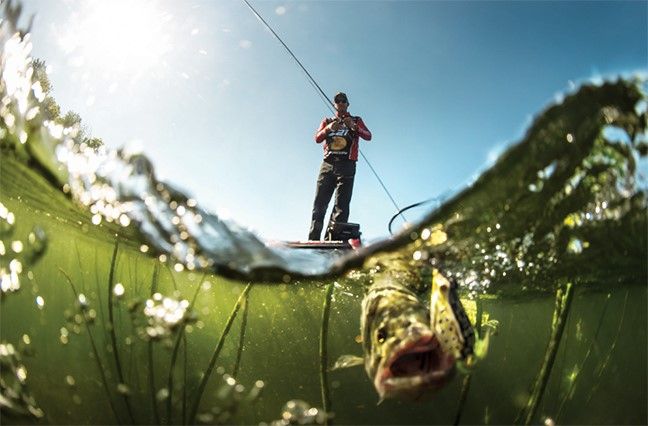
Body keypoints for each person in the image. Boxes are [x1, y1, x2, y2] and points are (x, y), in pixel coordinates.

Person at [308, 92, 372, 241]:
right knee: (319, 205)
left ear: (348, 104)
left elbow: (368, 136)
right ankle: (313, 240)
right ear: (334, 104)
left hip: (347, 165)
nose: (341, 103)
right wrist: (329, 128)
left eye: (344, 101)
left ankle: (333, 240)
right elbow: (317, 138)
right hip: (328, 165)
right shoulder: (327, 120)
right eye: (338, 101)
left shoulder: (356, 120)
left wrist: (354, 127)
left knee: (341, 207)